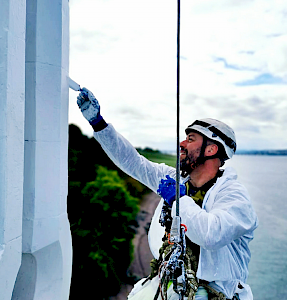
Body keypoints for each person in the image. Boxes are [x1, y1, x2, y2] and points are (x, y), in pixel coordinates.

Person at [76, 88, 258, 300]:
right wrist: (99, 124)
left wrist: (178, 200)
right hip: (169, 281)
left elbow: (211, 234)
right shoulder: (175, 179)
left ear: (211, 150)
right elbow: (134, 163)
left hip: (216, 291)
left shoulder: (235, 197)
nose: (182, 143)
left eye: (190, 139)